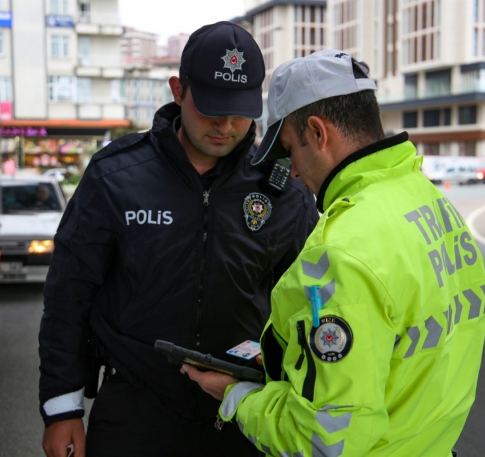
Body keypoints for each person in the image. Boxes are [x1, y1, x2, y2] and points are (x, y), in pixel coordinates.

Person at [183, 49, 485, 456]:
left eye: (289, 148)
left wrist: (237, 397)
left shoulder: (341, 252)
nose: (290, 170)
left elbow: (321, 442)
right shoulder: (431, 203)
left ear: (317, 132)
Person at [38, 22, 318, 457]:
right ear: (178, 90)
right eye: (211, 108)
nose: (225, 125)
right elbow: (67, 297)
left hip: (243, 412)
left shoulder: (283, 192)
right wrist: (62, 408)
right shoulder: (115, 177)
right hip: (135, 411)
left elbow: (310, 308)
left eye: (240, 111)